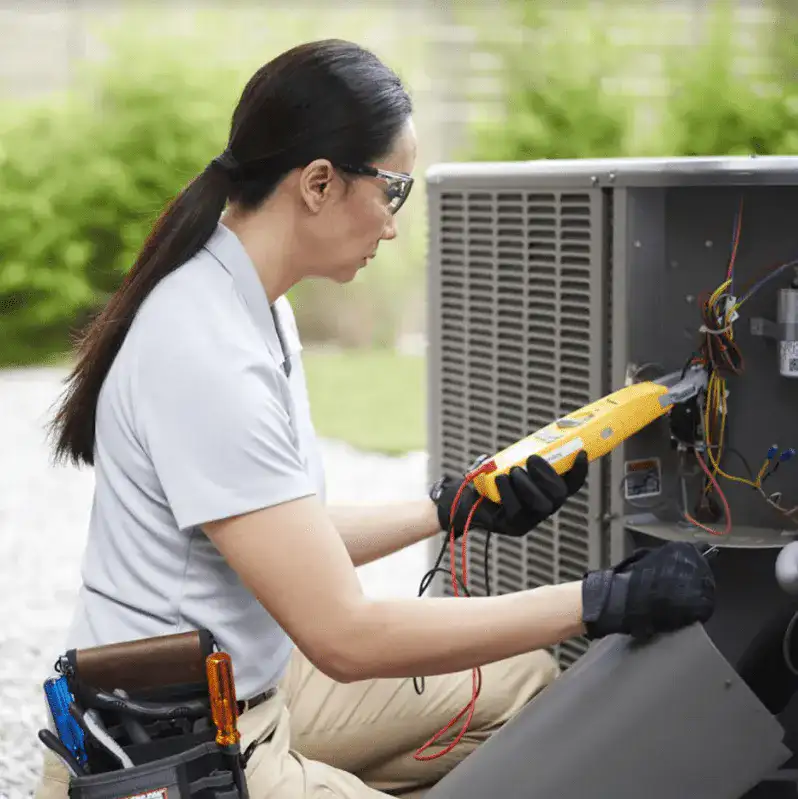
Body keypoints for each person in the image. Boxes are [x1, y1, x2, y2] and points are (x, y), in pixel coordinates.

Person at [37, 39, 716, 799]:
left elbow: (288, 533)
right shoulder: (205, 350)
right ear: (319, 183)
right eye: (393, 189)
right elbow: (346, 635)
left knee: (520, 681)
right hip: (169, 756)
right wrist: (600, 600)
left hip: (248, 698)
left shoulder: (254, 307)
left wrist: (453, 507)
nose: (394, 223)